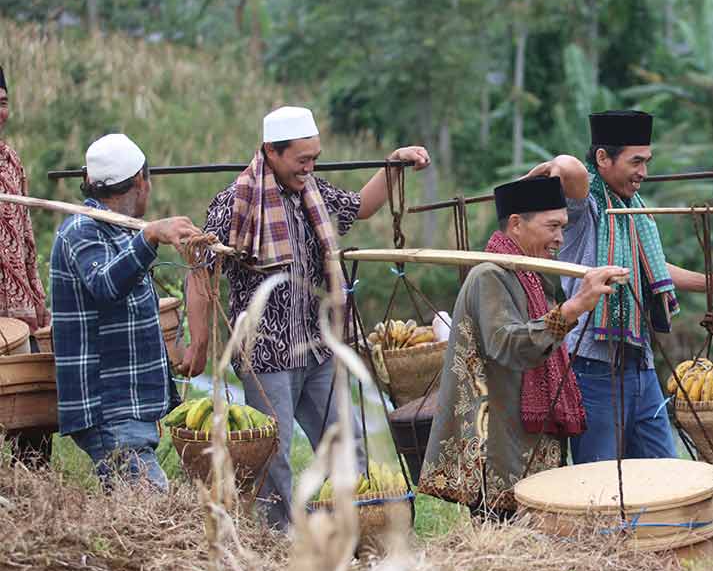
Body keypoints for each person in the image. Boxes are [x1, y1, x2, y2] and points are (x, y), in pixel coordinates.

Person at [180, 106, 430, 530]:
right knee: (272, 456)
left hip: (317, 345)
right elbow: (199, 267)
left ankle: (352, 526)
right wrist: (200, 342)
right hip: (266, 353)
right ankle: (280, 541)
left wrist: (393, 165)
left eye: (314, 158)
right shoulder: (235, 202)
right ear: (271, 153)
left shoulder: (312, 193)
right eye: (302, 160)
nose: (309, 167)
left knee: (345, 440)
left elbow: (361, 207)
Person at [523, 110, 713, 465]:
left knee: (661, 473)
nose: (644, 172)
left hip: (639, 363)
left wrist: (710, 283)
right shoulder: (585, 208)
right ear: (602, 158)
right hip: (592, 367)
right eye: (635, 161)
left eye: (647, 161)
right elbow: (569, 168)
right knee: (600, 479)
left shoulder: (632, 209)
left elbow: (648, 269)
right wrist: (542, 172)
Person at [419, 177, 626, 518]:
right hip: (496, 438)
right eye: (552, 226)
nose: (560, 238)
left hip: (527, 437)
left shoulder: (531, 274)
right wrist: (574, 307)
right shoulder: (490, 275)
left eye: (564, 227)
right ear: (516, 224)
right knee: (500, 539)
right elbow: (510, 344)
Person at [49, 134, 202, 488]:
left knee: (138, 516)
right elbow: (106, 285)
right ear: (139, 182)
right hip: (111, 411)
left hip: (131, 408)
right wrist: (150, 237)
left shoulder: (120, 231)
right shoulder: (81, 231)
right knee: (151, 513)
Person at [0, 65, 53, 467]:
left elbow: (27, 240)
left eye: (3, 104)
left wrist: (36, 299)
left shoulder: (12, 162)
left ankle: (34, 498)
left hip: (19, 311)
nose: (0, 112)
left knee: (32, 420)